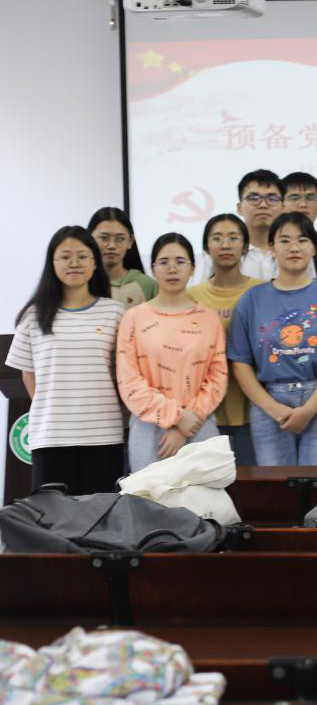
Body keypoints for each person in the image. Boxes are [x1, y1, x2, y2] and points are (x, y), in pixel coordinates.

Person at [227, 212, 317, 465]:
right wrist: (273, 409)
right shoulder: (252, 299)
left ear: (314, 248)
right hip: (269, 404)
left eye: (302, 240)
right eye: (285, 241)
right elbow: (240, 363)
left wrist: (309, 409)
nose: (294, 248)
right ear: (272, 248)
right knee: (276, 486)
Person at [7, 226, 126, 494]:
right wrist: (51, 407)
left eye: (82, 256)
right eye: (65, 256)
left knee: (102, 514)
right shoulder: (34, 315)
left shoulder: (115, 312)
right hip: (50, 437)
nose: (74, 263)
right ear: (52, 263)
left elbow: (123, 372)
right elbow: (28, 373)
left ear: (94, 262)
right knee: (53, 516)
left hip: (103, 435)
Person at [116, 234, 227, 473]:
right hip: (148, 428)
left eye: (180, 261)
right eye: (164, 262)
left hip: (198, 424)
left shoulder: (209, 319)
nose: (172, 268)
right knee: (149, 496)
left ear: (193, 269)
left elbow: (217, 378)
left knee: (203, 496)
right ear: (153, 269)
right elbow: (129, 381)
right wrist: (177, 416)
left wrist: (186, 421)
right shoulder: (133, 318)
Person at [188, 214, 264, 465]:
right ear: (206, 247)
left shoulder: (263, 291)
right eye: (217, 238)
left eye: (233, 238)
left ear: (245, 246)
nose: (225, 244)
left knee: (254, 482)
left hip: (256, 408)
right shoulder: (191, 296)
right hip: (204, 411)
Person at [194, 170, 292, 283]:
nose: (263, 205)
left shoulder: (296, 251)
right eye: (254, 198)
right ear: (239, 207)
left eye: (272, 199)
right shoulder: (216, 255)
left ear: (283, 207)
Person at [88, 207, 157, 308]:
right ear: (90, 238)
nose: (112, 245)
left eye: (120, 239)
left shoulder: (147, 285)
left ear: (130, 241)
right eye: (104, 238)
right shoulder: (81, 283)